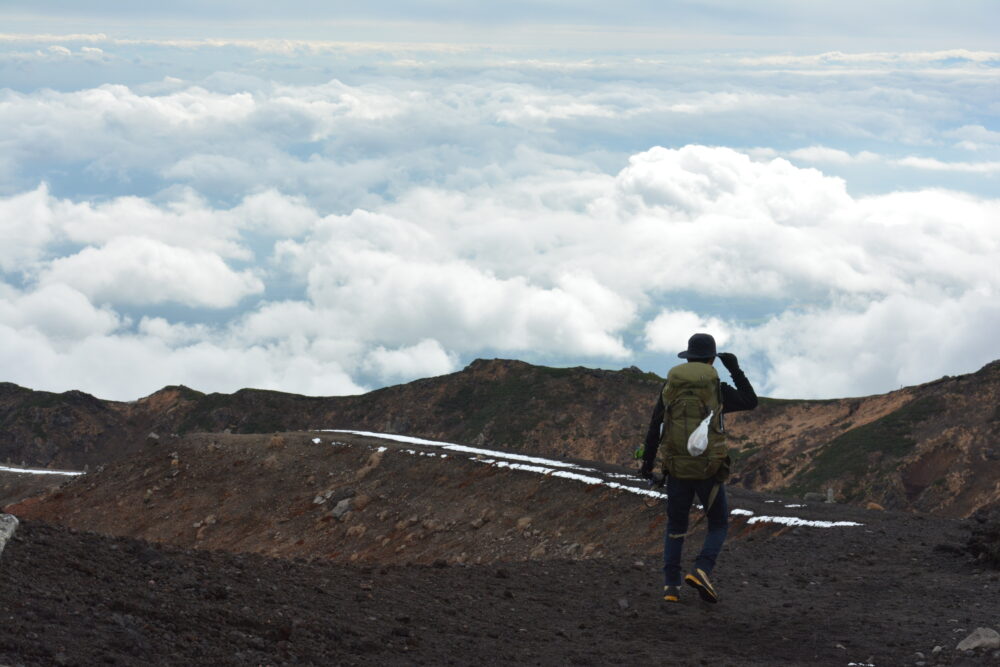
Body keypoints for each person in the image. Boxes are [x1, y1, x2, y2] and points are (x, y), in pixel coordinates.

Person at [639, 332, 757, 604]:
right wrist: (735, 369)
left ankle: (671, 588)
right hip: (708, 469)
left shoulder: (671, 388)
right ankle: (702, 569)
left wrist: (647, 465)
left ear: (689, 357)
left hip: (677, 469)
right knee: (718, 523)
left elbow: (654, 426)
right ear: (711, 360)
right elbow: (751, 401)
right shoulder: (717, 390)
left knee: (676, 527)